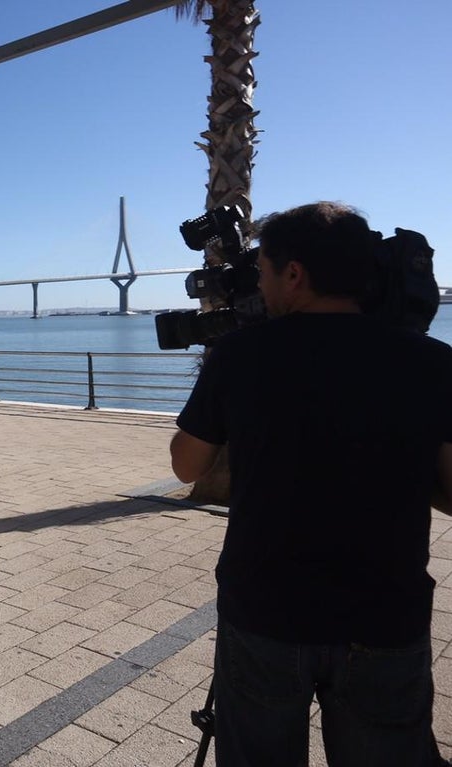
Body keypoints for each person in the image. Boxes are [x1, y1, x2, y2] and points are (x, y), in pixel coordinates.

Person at [169, 202, 452, 766]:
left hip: (266, 611)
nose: (262, 286)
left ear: (293, 273)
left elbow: (186, 464)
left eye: (265, 271)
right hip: (384, 615)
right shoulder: (431, 361)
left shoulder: (241, 354)